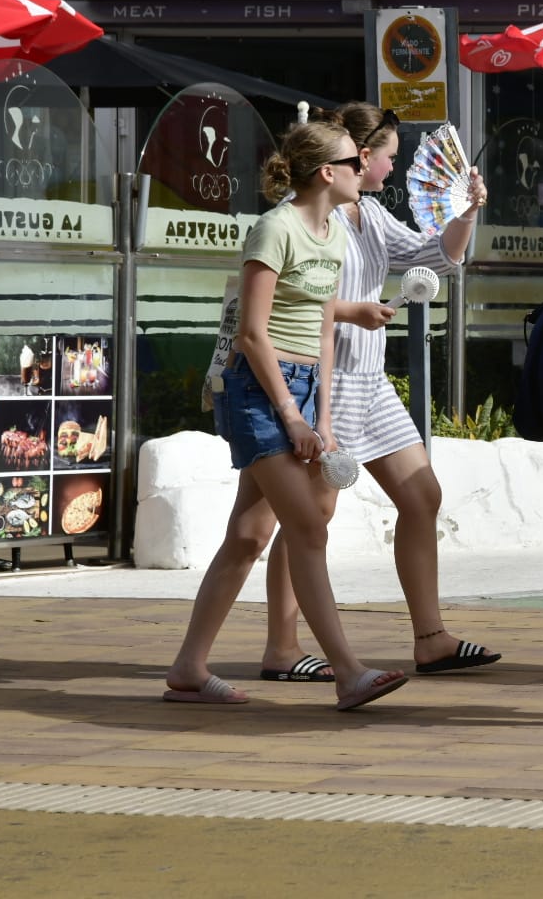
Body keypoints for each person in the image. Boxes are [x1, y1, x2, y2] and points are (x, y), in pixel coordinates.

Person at [164, 118, 408, 711]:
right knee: (308, 527)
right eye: (356, 161)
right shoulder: (274, 229)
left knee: (248, 536)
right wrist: (290, 414)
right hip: (256, 389)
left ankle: (188, 667)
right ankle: (349, 672)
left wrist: (320, 417)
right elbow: (251, 332)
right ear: (328, 172)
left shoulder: (333, 235)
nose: (366, 168)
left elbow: (323, 323)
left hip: (299, 389)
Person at [258, 102, 501, 682]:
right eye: (388, 156)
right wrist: (354, 309)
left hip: (369, 382)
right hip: (325, 380)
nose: (393, 167)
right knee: (306, 516)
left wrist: (465, 211)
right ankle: (282, 647)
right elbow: (293, 302)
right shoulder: (312, 217)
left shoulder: (366, 214)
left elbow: (436, 254)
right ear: (357, 158)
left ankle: (431, 637)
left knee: (422, 497)